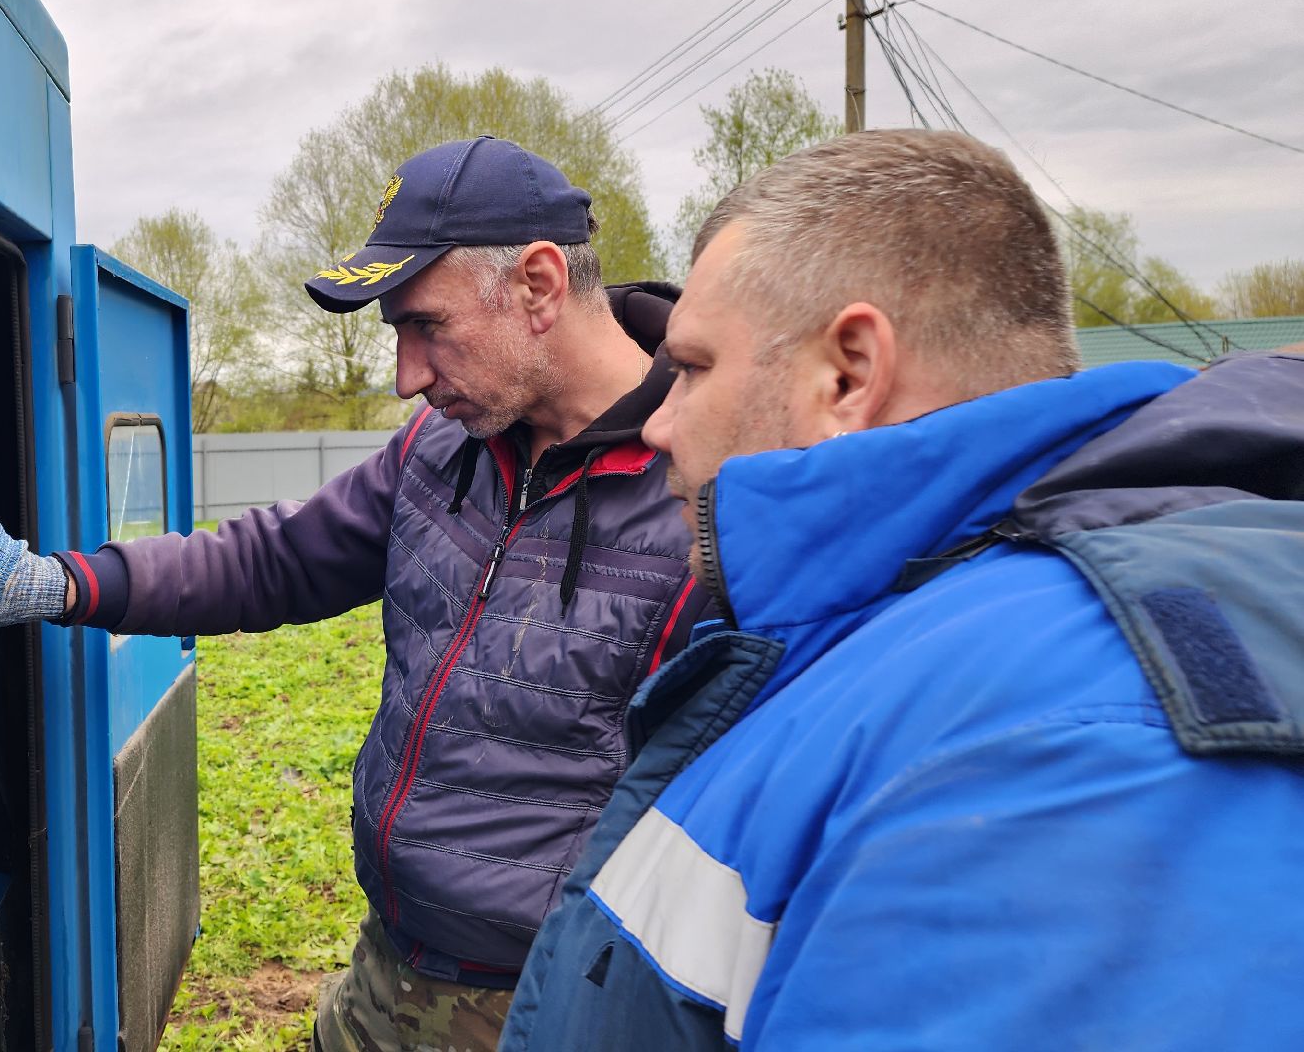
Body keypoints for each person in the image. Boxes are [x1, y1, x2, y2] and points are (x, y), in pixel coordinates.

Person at [0, 136, 708, 1050]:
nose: (406, 378)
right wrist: (57, 582)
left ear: (540, 285)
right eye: (396, 335)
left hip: (548, 1005)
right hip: (390, 962)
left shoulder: (705, 500)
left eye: (427, 325)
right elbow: (274, 558)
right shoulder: (439, 450)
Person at [498, 128, 1304, 1050]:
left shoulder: (1071, 746)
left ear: (850, 373)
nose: (662, 425)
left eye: (693, 368)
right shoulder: (896, 614)